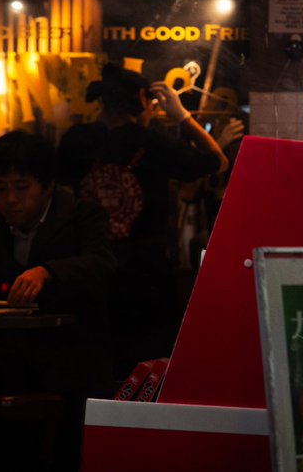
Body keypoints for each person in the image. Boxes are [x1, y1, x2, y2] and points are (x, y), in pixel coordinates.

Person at [57, 61, 229, 376]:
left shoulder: (75, 140)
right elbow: (217, 161)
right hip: (146, 277)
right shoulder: (151, 142)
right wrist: (183, 117)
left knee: (92, 369)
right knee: (145, 370)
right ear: (140, 100)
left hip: (87, 274)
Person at [0, 130, 116, 470]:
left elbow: (103, 264)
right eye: (1, 187)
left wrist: (47, 272)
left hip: (71, 365)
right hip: (8, 369)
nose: (10, 199)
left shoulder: (83, 215)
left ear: (48, 185)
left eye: (21, 187)